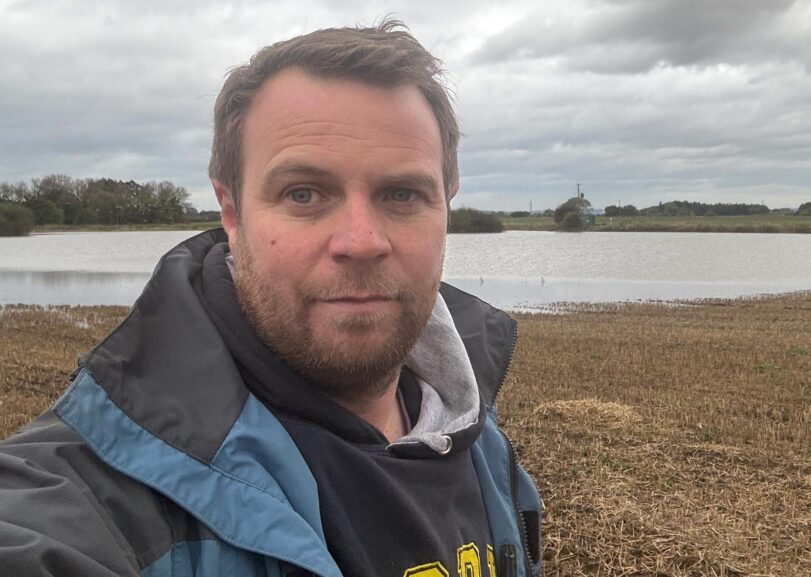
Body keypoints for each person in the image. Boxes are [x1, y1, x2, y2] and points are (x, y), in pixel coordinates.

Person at [0, 20, 541, 577]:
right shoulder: (87, 500)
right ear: (231, 210)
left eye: (402, 194)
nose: (360, 242)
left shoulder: (476, 436)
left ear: (445, 205)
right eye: (303, 194)